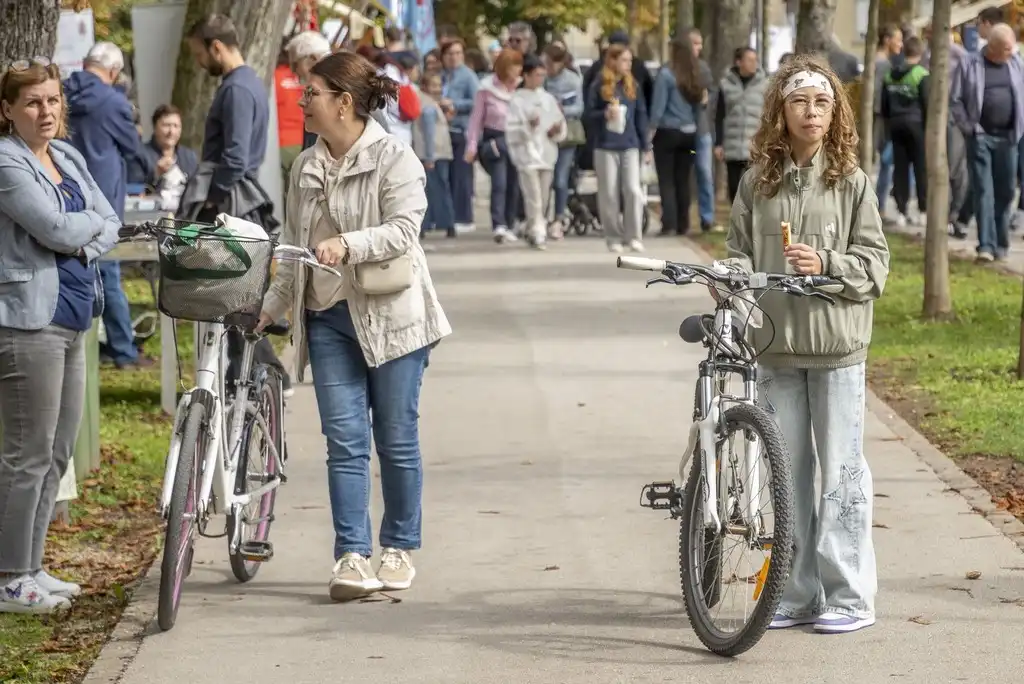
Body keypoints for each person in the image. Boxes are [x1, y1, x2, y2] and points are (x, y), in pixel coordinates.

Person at [258, 51, 451, 601]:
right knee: (344, 441)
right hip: (328, 318)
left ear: (343, 102)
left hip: (393, 319)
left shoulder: (396, 158)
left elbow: (404, 231)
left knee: (395, 437)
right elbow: (296, 249)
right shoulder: (304, 165)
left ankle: (397, 547)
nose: (302, 102)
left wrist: (349, 244)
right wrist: (273, 307)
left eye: (312, 93)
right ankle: (351, 555)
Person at [722, 54, 889, 635]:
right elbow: (738, 249)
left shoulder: (852, 183)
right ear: (780, 111)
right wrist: (734, 272)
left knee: (841, 473)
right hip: (775, 348)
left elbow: (875, 266)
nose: (810, 111)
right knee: (785, 474)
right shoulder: (756, 183)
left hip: (837, 349)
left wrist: (826, 262)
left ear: (834, 111)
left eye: (821, 102)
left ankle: (849, 594)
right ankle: (794, 592)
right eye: (799, 101)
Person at [0, 57, 120, 613]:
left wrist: (82, 234)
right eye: (31, 102)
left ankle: (32, 565)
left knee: (58, 452)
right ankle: (8, 578)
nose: (45, 111)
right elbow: (50, 227)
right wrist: (83, 231)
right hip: (29, 322)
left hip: (75, 317)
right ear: (8, 111)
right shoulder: (6, 162)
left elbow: (108, 220)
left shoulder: (66, 156)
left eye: (51, 100)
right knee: (27, 454)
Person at [181, 14, 292, 394]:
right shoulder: (244, 85)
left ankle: (265, 372)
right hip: (235, 198)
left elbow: (236, 156)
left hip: (230, 203)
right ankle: (244, 374)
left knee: (231, 298)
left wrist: (212, 201)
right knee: (230, 299)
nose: (199, 63)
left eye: (199, 54)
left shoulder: (237, 90)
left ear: (216, 47)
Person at [63, 42, 146, 370]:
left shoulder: (62, 94)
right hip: (103, 201)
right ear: (112, 72)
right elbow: (132, 146)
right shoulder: (113, 102)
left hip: (65, 197)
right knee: (108, 272)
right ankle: (123, 350)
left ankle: (82, 343)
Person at [950, 23, 1024, 262]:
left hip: (1009, 137)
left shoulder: (1016, 63)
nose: (1010, 52)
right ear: (991, 48)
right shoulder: (970, 63)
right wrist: (969, 128)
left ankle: (1001, 244)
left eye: (1012, 48)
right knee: (983, 190)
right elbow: (955, 100)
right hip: (980, 136)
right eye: (1006, 49)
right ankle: (986, 246)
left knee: (1005, 191)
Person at [584, 43, 649, 253]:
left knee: (632, 190)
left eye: (630, 60)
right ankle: (613, 236)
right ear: (612, 61)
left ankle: (634, 235)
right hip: (605, 146)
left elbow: (641, 115)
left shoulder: (632, 86)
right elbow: (587, 115)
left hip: (630, 144)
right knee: (609, 193)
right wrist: (603, 114)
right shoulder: (599, 85)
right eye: (624, 60)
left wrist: (646, 145)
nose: (628, 64)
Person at [506, 53, 566, 249]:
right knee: (533, 197)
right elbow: (511, 130)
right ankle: (539, 233)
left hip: (546, 153)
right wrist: (528, 126)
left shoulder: (548, 99)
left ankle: (532, 228)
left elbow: (558, 122)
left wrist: (556, 131)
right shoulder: (517, 100)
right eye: (537, 75)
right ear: (527, 76)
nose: (540, 79)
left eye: (543, 75)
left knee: (544, 196)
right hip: (527, 155)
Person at [465, 49, 523, 244]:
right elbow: (476, 120)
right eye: (514, 66)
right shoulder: (486, 88)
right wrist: (471, 146)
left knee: (515, 183)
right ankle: (499, 224)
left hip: (517, 138)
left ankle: (511, 221)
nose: (518, 70)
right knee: (500, 183)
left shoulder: (521, 89)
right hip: (495, 139)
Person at [648, 37, 702, 237]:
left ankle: (669, 223)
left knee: (667, 179)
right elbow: (699, 106)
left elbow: (658, 105)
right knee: (683, 178)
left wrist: (651, 128)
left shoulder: (666, 75)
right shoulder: (693, 75)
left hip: (668, 132)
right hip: (689, 135)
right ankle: (683, 223)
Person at [882, 35, 929, 228]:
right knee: (920, 168)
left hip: (895, 125)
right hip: (916, 125)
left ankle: (901, 211)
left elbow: (884, 105)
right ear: (920, 53)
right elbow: (927, 103)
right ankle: (923, 211)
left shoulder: (889, 74)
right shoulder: (921, 74)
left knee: (900, 169)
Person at [714, 46, 767, 204]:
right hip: (732, 143)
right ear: (739, 62)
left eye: (755, 60)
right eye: (749, 60)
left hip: (755, 145)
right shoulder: (725, 85)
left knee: (754, 186)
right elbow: (719, 115)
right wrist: (718, 143)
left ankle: (753, 221)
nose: (754, 63)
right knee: (734, 187)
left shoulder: (765, 85)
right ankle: (736, 219)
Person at [543, 43, 584, 236]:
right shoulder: (541, 80)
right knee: (543, 179)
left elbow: (579, 107)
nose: (548, 68)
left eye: (551, 64)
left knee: (560, 179)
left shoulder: (572, 80)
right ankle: (539, 217)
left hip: (567, 134)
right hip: (545, 134)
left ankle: (558, 218)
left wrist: (561, 111)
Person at [440, 39, 480, 234]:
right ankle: (450, 215)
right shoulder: (442, 75)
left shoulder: (468, 76)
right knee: (449, 176)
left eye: (457, 53)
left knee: (462, 175)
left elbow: (476, 102)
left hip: (463, 129)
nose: (454, 57)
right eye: (450, 54)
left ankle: (464, 217)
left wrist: (454, 104)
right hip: (445, 130)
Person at [130, 104, 199, 211]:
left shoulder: (189, 157)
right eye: (166, 125)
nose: (172, 132)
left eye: (176, 126)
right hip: (151, 218)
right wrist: (156, 175)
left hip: (183, 218)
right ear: (155, 127)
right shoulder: (140, 155)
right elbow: (134, 196)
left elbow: (195, 193)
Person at [414, 72, 456, 239]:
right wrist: (430, 156)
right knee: (435, 189)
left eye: (439, 85)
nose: (437, 89)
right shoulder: (428, 106)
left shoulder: (430, 103)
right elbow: (430, 133)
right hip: (434, 154)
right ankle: (444, 223)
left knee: (434, 189)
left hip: (435, 153)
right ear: (425, 86)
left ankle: (437, 223)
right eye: (434, 85)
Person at [873, 24, 903, 220]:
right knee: (885, 162)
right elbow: (876, 95)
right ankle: (879, 206)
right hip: (881, 119)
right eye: (897, 39)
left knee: (885, 163)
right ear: (887, 40)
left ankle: (880, 205)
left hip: (881, 118)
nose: (900, 44)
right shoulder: (882, 64)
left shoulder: (882, 62)